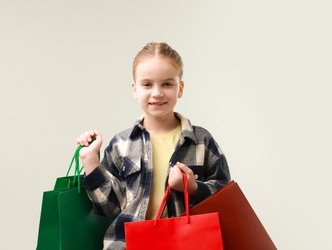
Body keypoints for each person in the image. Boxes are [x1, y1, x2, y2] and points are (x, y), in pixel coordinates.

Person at [76, 42, 231, 249]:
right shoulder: (121, 144)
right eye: (147, 84)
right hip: (129, 245)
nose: (157, 93)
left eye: (167, 84)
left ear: (180, 88)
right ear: (135, 89)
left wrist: (193, 187)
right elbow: (109, 208)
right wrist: (90, 160)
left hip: (185, 245)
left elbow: (225, 195)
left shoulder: (201, 140)